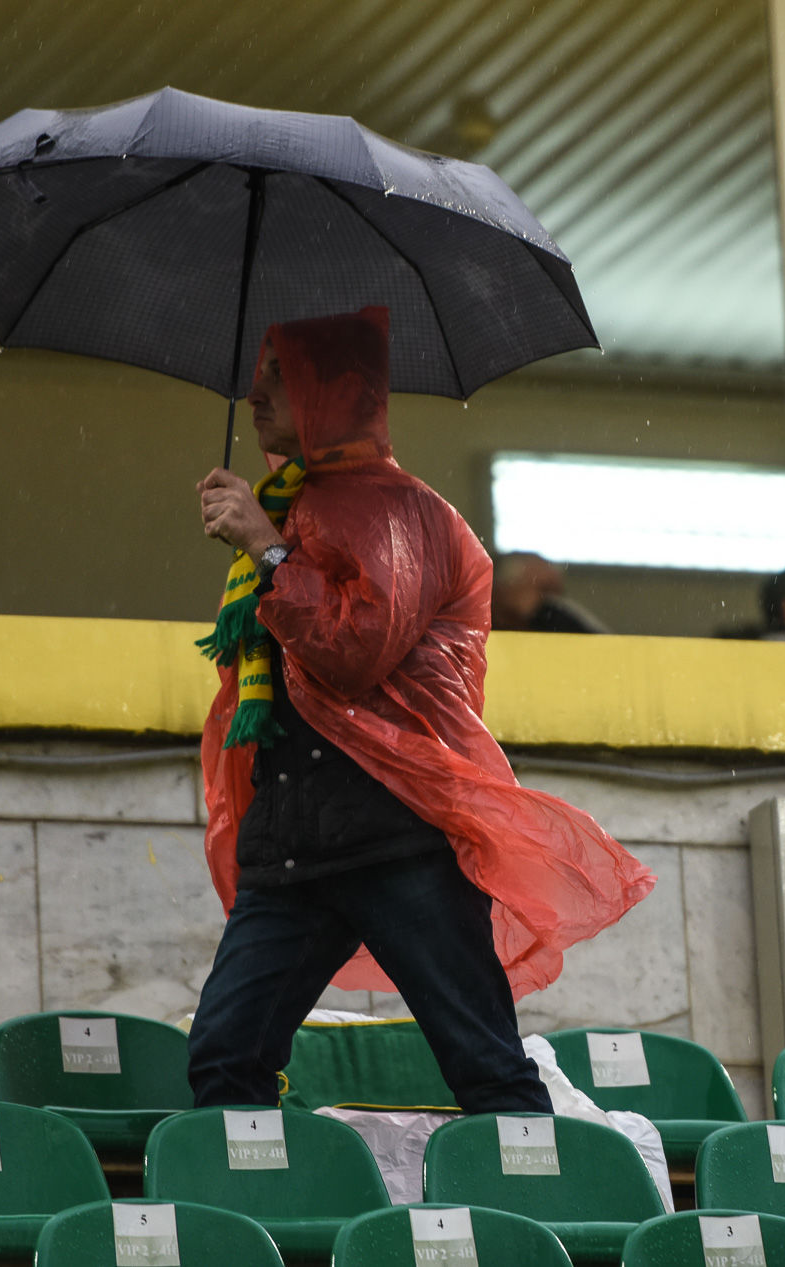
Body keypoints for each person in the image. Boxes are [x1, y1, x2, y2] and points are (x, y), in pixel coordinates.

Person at [189, 306, 655, 1113]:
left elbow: (354, 651)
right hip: (295, 839)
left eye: (279, 376)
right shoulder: (291, 503)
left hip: (398, 832)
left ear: (335, 391)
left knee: (486, 1063)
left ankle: (528, 1190)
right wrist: (269, 539)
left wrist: (267, 549)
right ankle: (260, 1194)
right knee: (225, 1055)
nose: (257, 394)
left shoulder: (405, 512)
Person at [491, 551, 609, 633]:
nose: (553, 602)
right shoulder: (482, 633)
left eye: (555, 593)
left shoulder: (563, 621)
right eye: (543, 590)